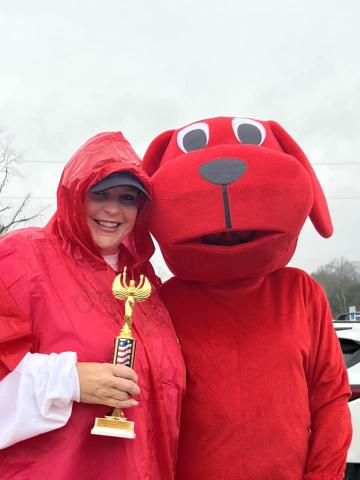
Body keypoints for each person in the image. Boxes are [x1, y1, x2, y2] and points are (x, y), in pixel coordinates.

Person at [0, 131, 185, 480]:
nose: (113, 209)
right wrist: (67, 380)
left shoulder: (144, 284)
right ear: (75, 195)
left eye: (128, 198)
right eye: (100, 194)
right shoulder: (20, 259)